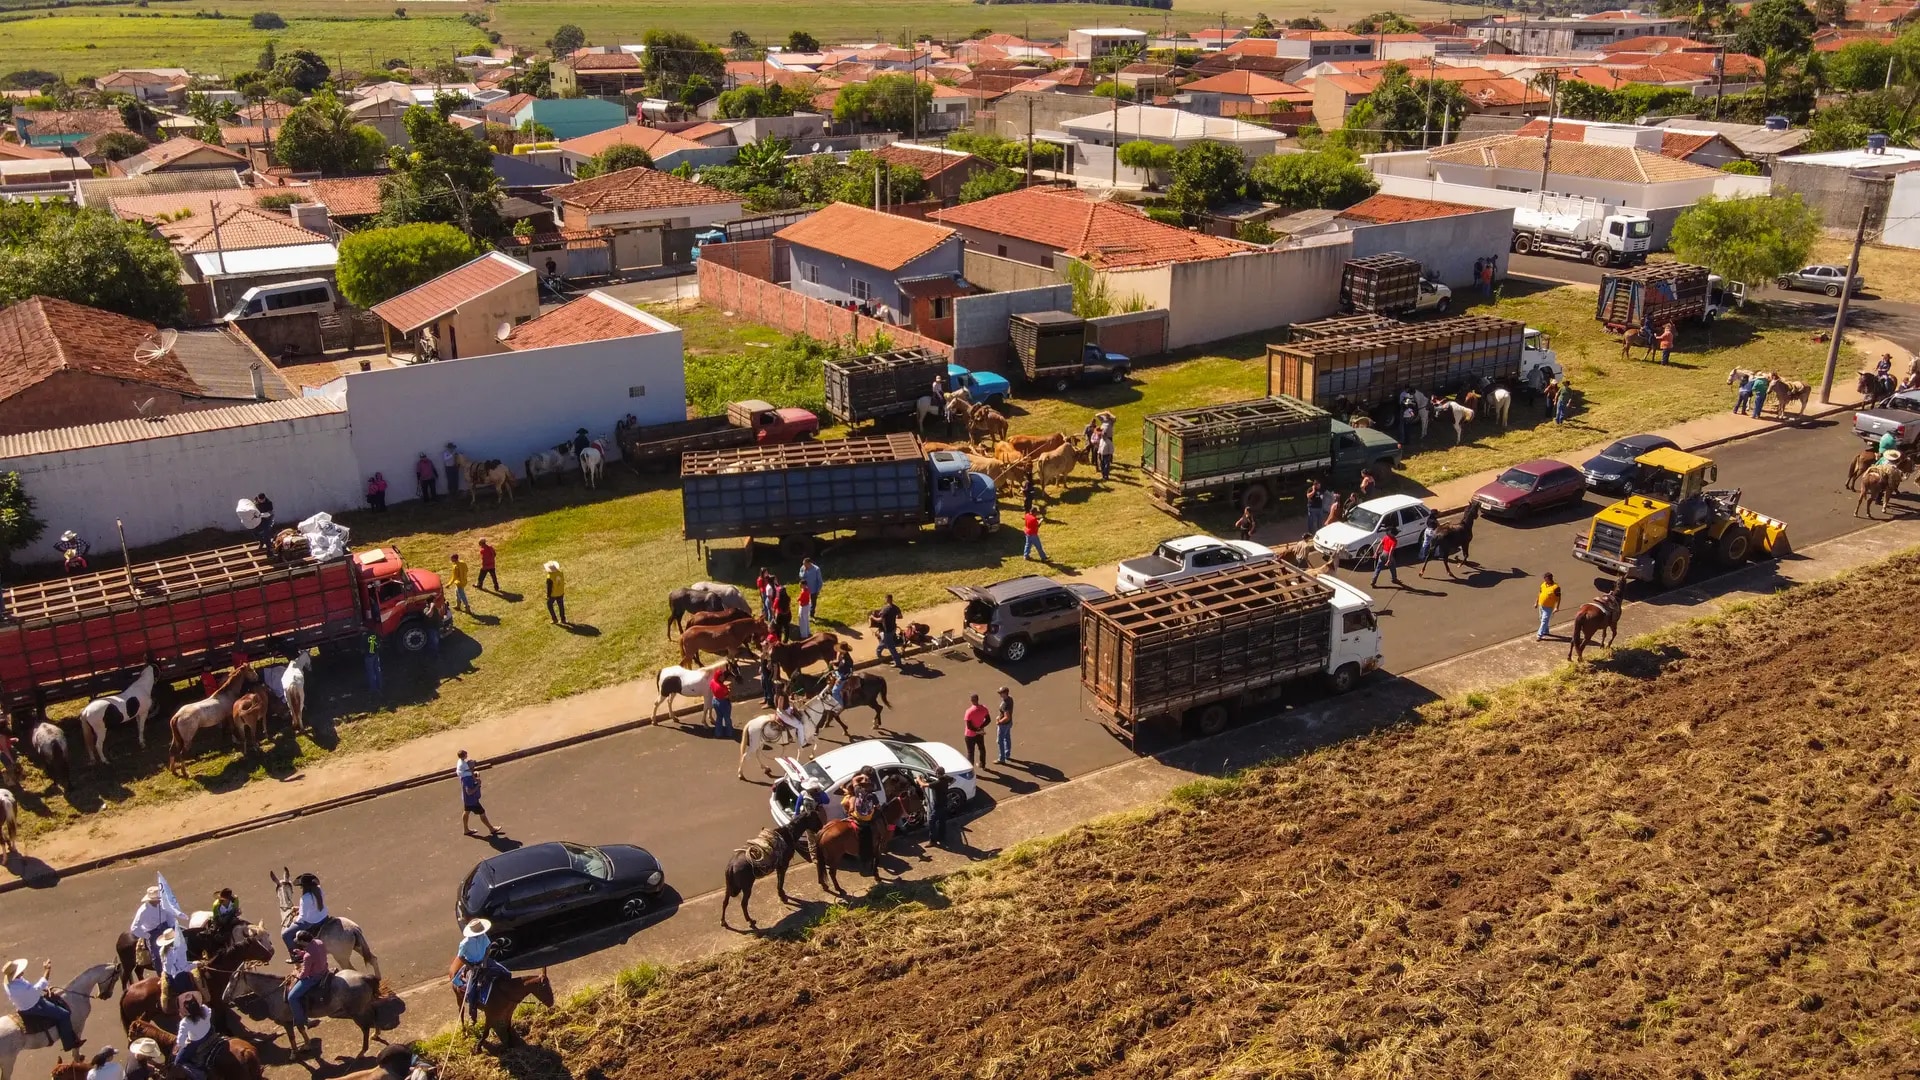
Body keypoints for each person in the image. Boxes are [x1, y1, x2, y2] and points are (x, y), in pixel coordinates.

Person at [4, 958, 81, 1056]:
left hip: (22, 1004)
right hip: (33, 1007)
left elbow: (31, 991)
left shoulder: (9, 983)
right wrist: (47, 970)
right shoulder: (20, 987)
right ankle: (69, 1043)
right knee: (64, 1014)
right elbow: (38, 988)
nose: (22, 971)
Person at [455, 919, 508, 1022]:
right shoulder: (465, 943)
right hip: (473, 965)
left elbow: (488, 947)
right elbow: (461, 957)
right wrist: (471, 967)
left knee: (506, 973)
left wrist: (484, 959)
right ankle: (472, 1014)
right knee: (471, 992)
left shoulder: (483, 936)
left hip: (484, 960)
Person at [129, 885, 181, 973]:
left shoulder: (163, 904)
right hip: (153, 932)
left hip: (166, 927)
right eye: (158, 899)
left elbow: (169, 915)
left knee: (182, 942)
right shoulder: (143, 911)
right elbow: (134, 928)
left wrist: (173, 927)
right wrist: (148, 936)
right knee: (157, 955)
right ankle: (161, 974)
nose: (159, 900)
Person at [286, 930, 329, 1032]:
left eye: (299, 941)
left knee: (292, 997)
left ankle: (303, 1020)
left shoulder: (307, 957)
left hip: (314, 978)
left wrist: (296, 975)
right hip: (325, 970)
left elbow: (304, 973)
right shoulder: (319, 942)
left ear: (303, 942)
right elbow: (315, 952)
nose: (298, 943)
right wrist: (302, 953)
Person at [456, 751, 502, 837]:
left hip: (466, 800)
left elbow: (470, 774)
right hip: (472, 800)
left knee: (466, 812)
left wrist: (475, 775)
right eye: (472, 764)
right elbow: (469, 792)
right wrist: (478, 785)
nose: (473, 763)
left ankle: (466, 829)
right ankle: (491, 829)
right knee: (482, 812)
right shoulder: (467, 779)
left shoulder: (464, 774)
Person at [844, 774, 880, 877]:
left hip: (855, 816)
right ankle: (867, 856)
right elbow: (877, 806)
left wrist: (861, 776)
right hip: (865, 821)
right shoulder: (873, 796)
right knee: (869, 837)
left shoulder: (858, 790)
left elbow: (854, 780)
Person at [281, 874, 327, 954]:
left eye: (301, 886)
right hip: (323, 917)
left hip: (311, 922)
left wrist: (295, 919)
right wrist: (300, 908)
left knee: (286, 934)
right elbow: (314, 906)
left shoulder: (305, 898)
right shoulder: (319, 891)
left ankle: (296, 955)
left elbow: (303, 918)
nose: (301, 888)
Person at [154, 927, 196, 1010]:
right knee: (191, 990)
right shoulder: (176, 952)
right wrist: (196, 964)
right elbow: (184, 968)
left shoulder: (162, 950)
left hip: (168, 974)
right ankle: (189, 1007)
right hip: (179, 977)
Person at [172, 999, 214, 1078]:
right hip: (209, 1032)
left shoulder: (185, 1022)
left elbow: (180, 1042)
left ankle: (199, 1075)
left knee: (178, 1062)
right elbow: (210, 1012)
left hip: (197, 1041)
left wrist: (184, 1043)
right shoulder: (204, 1008)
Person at [917, 766, 952, 850]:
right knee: (942, 821)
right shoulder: (946, 779)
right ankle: (942, 837)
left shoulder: (938, 783)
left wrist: (918, 779)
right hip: (944, 804)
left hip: (938, 806)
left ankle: (933, 841)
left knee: (931, 821)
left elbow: (923, 785)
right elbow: (952, 780)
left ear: (937, 774)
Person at [963, 693, 990, 768]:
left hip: (970, 735)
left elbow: (969, 726)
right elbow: (988, 720)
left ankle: (970, 769)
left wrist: (976, 730)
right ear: (978, 699)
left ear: (971, 701)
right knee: (982, 749)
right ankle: (983, 764)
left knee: (970, 752)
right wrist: (980, 728)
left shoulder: (969, 711)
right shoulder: (984, 708)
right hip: (979, 734)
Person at [876, 594, 903, 666]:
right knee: (884, 641)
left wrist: (872, 617)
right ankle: (878, 653)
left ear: (887, 599)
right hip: (893, 628)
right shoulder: (896, 608)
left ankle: (898, 662)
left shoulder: (885, 609)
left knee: (891, 647)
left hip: (887, 630)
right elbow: (900, 617)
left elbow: (880, 620)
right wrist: (893, 617)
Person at [708, 666, 734, 737]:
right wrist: (729, 689)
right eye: (722, 676)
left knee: (719, 717)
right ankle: (729, 733)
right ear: (719, 677)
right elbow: (728, 696)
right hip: (723, 703)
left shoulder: (712, 681)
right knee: (727, 718)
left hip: (715, 700)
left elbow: (712, 688)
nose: (723, 677)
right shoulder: (722, 688)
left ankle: (718, 733)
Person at [1537, 571, 1561, 641]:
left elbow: (1559, 598)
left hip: (1549, 607)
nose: (1544, 580)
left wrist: (1557, 607)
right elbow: (1540, 593)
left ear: (1549, 579)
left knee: (1544, 620)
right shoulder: (1543, 584)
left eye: (1545, 579)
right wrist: (1536, 602)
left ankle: (1539, 635)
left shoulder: (1556, 587)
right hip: (1541, 605)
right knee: (1542, 619)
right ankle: (1546, 631)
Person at [994, 686, 1014, 765]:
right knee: (1007, 738)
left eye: (1001, 693)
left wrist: (999, 722)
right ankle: (1007, 754)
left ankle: (1001, 758)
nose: (1000, 695)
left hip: (1004, 725)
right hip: (1009, 724)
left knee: (1000, 741)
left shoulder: (1005, 704)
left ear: (1005, 693)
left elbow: (1007, 717)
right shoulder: (1010, 699)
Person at [363, 630, 382, 696]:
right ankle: (380, 685)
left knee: (371, 672)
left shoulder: (364, 636)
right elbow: (379, 643)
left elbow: (362, 648)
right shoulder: (374, 633)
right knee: (377, 670)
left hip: (369, 656)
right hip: (376, 654)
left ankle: (373, 688)